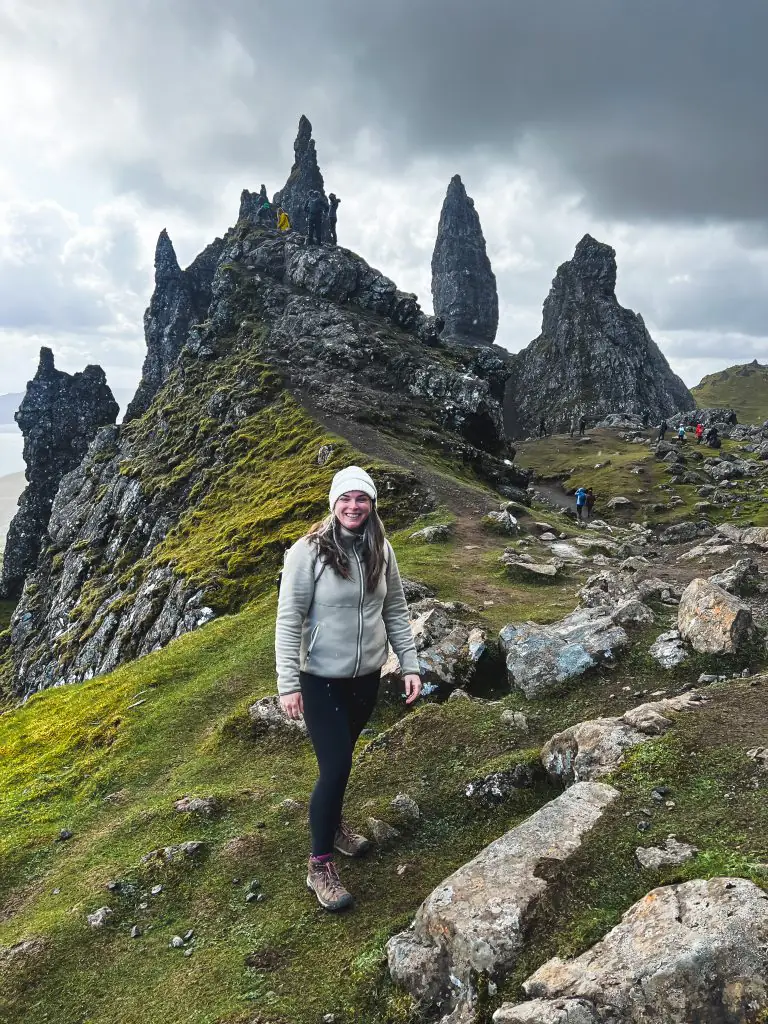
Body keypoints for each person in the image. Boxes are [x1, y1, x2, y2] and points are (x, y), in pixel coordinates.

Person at [275, 466, 422, 912]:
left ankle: (333, 826)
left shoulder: (382, 549)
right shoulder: (308, 551)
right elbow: (289, 618)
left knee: (341, 763)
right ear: (333, 503)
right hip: (318, 679)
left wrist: (409, 664)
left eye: (362, 499)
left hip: (366, 678)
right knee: (336, 766)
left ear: (372, 504)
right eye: (346, 499)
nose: (353, 506)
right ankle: (319, 866)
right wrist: (287, 683)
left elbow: (395, 609)